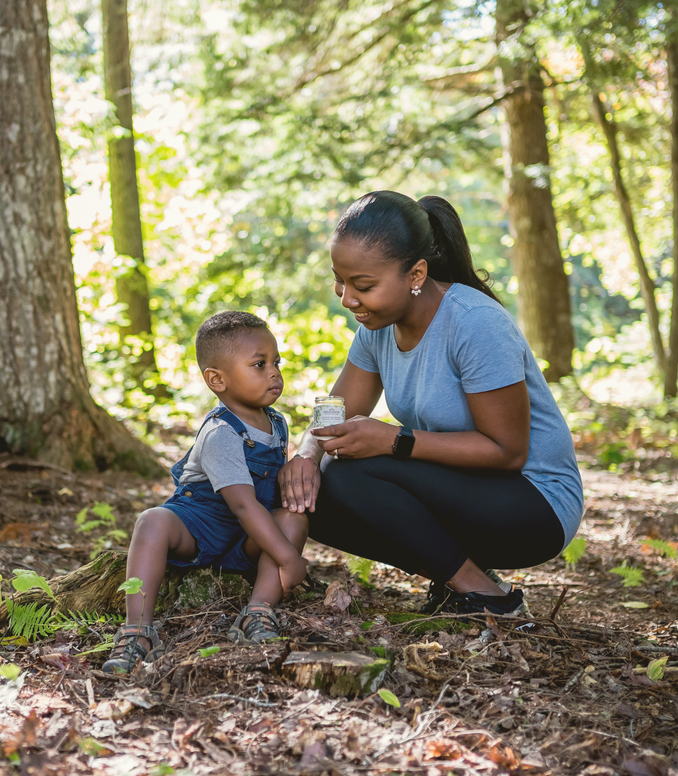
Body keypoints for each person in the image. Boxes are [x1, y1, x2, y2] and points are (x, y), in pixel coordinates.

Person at [278, 191, 583, 617]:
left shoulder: (474, 323)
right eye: (339, 281)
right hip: (466, 489)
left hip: (535, 505)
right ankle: (468, 580)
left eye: (363, 286)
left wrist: (393, 440)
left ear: (416, 274)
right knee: (309, 496)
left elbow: (508, 452)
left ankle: (487, 597)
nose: (347, 298)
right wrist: (306, 457)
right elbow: (336, 410)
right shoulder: (377, 328)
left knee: (349, 474)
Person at [103, 311, 309, 674]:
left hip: (245, 538)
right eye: (259, 364)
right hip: (200, 528)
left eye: (276, 362)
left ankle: (258, 611)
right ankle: (137, 631)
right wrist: (289, 559)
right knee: (152, 521)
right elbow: (243, 505)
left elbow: (263, 502)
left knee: (294, 518)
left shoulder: (276, 422)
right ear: (217, 380)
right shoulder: (221, 433)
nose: (274, 373)